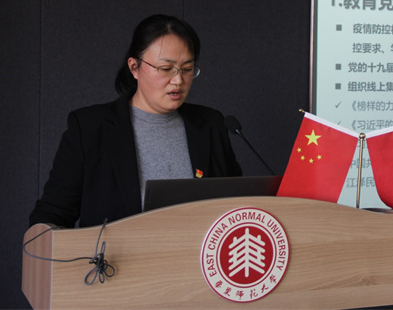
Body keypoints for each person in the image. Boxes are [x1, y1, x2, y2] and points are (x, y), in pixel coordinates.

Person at [29, 14, 242, 228]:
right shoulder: (90, 128)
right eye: (165, 69)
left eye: (187, 69)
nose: (178, 80)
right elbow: (50, 217)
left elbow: (237, 207)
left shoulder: (210, 125)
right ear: (134, 67)